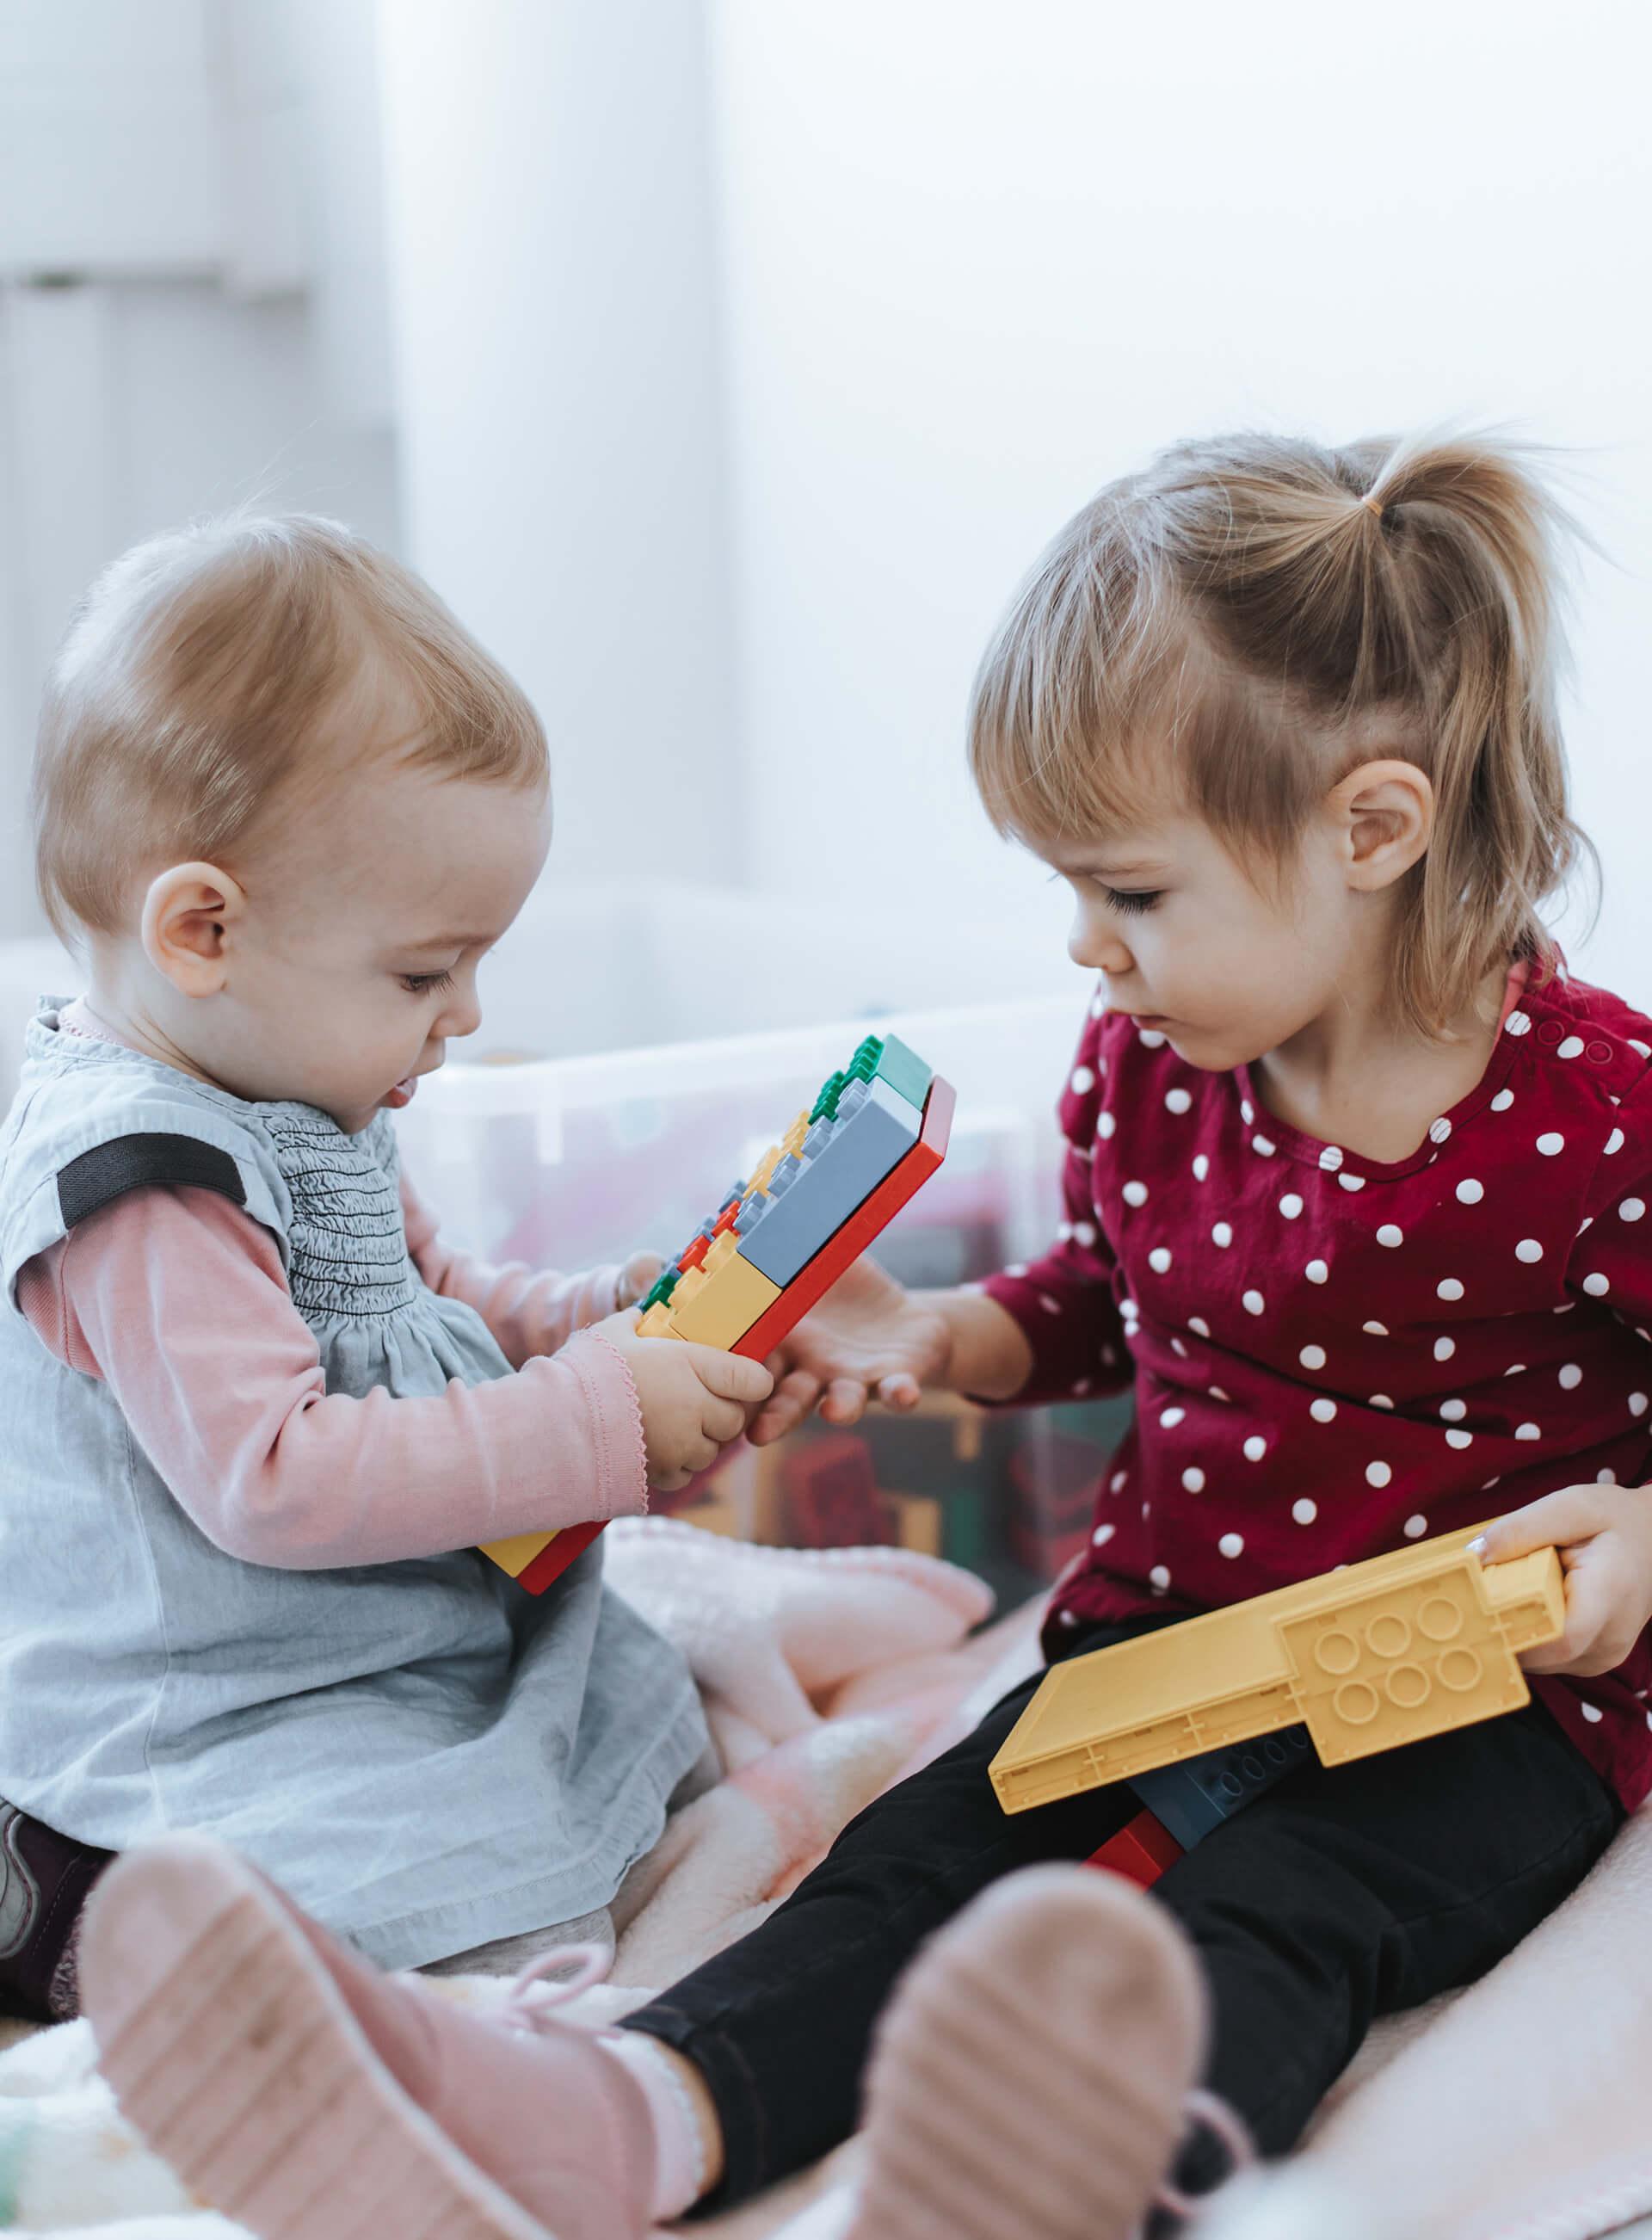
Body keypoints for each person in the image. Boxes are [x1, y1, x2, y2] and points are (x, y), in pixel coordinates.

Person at [77, 435, 1652, 2240]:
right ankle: (626, 2119)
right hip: (1175, 1646)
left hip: (1476, 1697)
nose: (1089, 949)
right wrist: (954, 1338)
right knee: (917, 1854)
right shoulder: (1156, 1066)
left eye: (1132, 894)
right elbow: (1116, 1299)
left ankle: (1109, 2179)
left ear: (1371, 832)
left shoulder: (1595, 1115)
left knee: (1279, 1911)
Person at [0, 515, 771, 2021]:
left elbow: (427, 1304)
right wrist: (586, 1425)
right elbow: (275, 1478)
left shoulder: (294, 1082)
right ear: (204, 928)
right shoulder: (142, 1184)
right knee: (433, 1889)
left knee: (634, 1706)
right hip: (216, 1696)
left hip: (380, 1626)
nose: (466, 1013)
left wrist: (607, 1320)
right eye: (424, 973)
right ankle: (81, 1901)